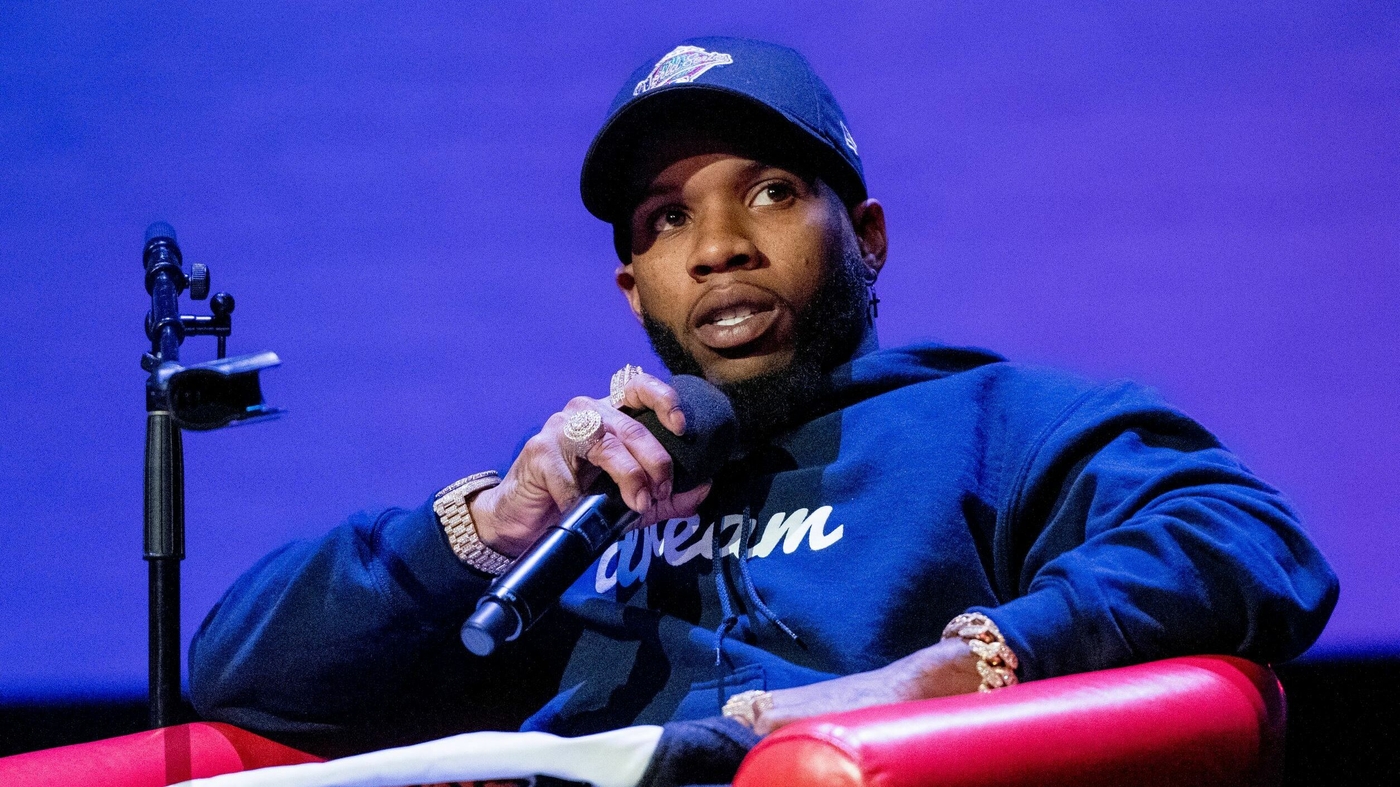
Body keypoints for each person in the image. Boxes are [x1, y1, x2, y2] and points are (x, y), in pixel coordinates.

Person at [189, 37, 1338, 766]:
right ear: (631, 285)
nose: (719, 247)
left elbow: (1246, 541)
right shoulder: (596, 492)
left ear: (867, 237)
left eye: (773, 193)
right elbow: (241, 679)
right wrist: (494, 521)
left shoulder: (991, 423)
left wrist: (953, 668)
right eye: (665, 220)